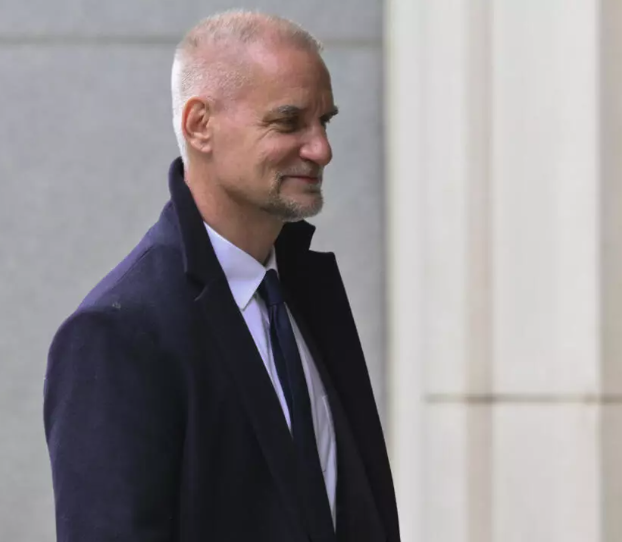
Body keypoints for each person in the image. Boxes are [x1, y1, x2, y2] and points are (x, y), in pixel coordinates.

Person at [44, 10, 399, 542]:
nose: (321, 148)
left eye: (324, 121)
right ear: (199, 125)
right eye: (288, 121)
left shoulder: (305, 294)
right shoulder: (117, 335)